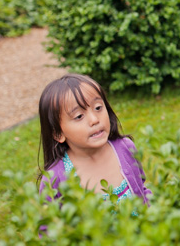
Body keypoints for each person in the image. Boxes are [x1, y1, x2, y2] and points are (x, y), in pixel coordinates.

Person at [37, 74, 151, 206]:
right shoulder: (55, 178)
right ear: (58, 134)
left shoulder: (126, 148)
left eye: (98, 108)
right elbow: (49, 223)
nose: (94, 120)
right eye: (79, 116)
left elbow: (142, 192)